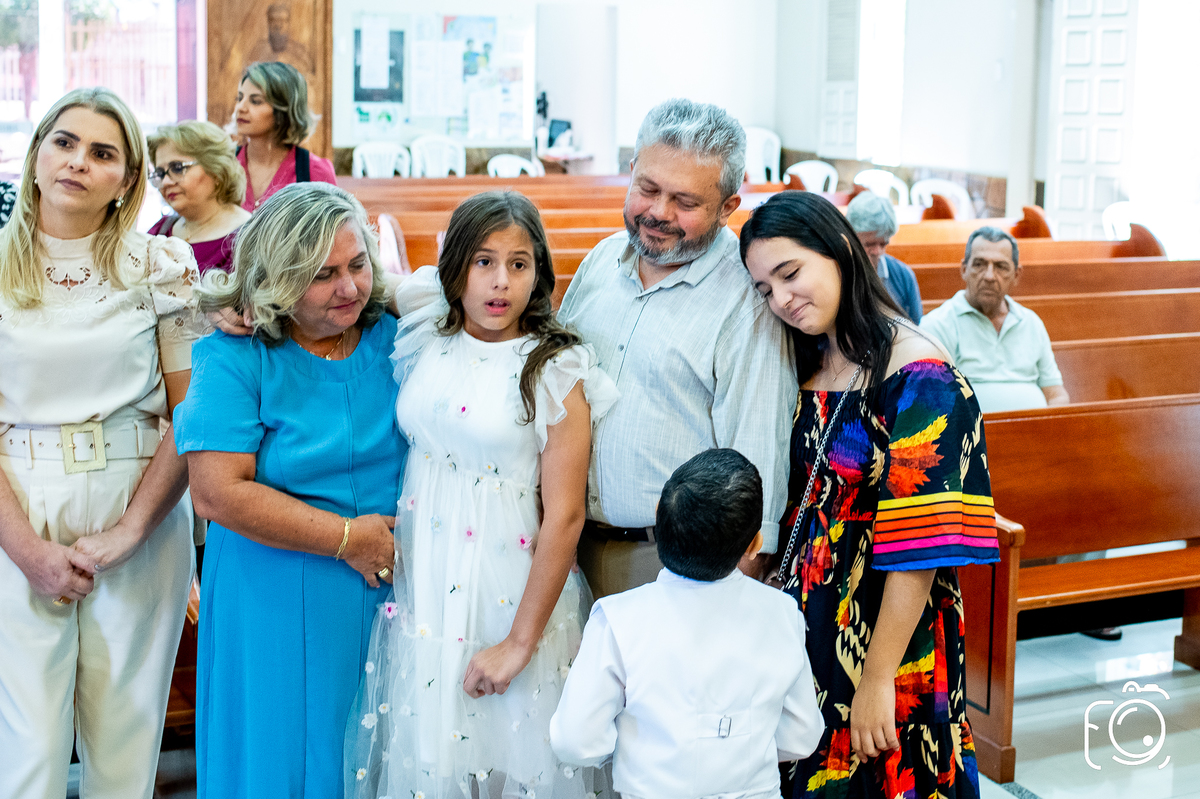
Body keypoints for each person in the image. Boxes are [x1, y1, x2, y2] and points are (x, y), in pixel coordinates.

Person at [345, 191, 617, 799]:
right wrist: (239, 305)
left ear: (538, 273)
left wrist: (519, 643)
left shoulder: (554, 366)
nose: (501, 283)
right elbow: (366, 283)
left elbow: (565, 515)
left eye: (519, 264)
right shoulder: (430, 326)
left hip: (509, 588)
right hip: (428, 587)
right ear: (456, 268)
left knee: (512, 759)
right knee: (437, 759)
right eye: (484, 262)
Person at [740, 191, 1000, 799]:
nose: (782, 299)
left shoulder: (920, 375)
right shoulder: (811, 355)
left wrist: (879, 677)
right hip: (806, 615)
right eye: (765, 289)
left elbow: (922, 547)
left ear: (839, 249)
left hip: (886, 629)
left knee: (882, 773)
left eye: (791, 273)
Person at [0, 87, 202, 799]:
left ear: (126, 180)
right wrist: (27, 550)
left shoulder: (162, 265)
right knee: (28, 747)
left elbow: (191, 413)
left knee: (124, 741)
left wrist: (129, 531)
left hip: (138, 496)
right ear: (35, 157)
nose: (78, 161)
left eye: (102, 152)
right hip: (18, 504)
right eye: (64, 142)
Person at [173, 182, 403, 799]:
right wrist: (349, 539)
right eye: (322, 275)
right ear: (275, 278)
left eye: (357, 265)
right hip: (272, 585)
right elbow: (217, 493)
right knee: (279, 755)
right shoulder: (235, 354)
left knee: (376, 751)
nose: (349, 287)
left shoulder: (394, 334)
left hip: (387, 582)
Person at [557, 98, 795, 598]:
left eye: (685, 202)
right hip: (566, 544)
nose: (658, 213)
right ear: (631, 171)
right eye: (647, 189)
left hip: (674, 567)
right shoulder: (602, 261)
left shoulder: (745, 298)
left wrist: (739, 578)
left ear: (728, 207)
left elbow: (757, 459)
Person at [550, 448, 825, 799]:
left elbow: (575, 740)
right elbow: (802, 736)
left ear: (658, 516)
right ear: (755, 545)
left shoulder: (618, 620)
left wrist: (631, 753)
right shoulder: (782, 613)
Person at [919, 226, 1069, 413]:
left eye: (1000, 267)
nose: (989, 276)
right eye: (979, 264)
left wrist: (1052, 422)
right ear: (964, 269)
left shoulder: (1031, 323)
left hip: (1036, 429)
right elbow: (930, 403)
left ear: (1016, 275)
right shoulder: (938, 325)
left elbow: (1056, 394)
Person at [147, 120, 251, 275]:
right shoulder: (160, 231)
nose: (165, 182)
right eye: (160, 173)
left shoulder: (249, 238)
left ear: (216, 170)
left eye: (178, 168)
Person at [233, 61, 336, 212]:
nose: (240, 107)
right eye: (239, 98)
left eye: (256, 101)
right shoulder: (222, 165)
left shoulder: (314, 171)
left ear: (283, 110)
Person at [845, 191, 923, 322]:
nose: (878, 252)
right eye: (869, 244)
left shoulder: (903, 275)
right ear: (850, 237)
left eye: (883, 244)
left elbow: (917, 326)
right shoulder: (838, 274)